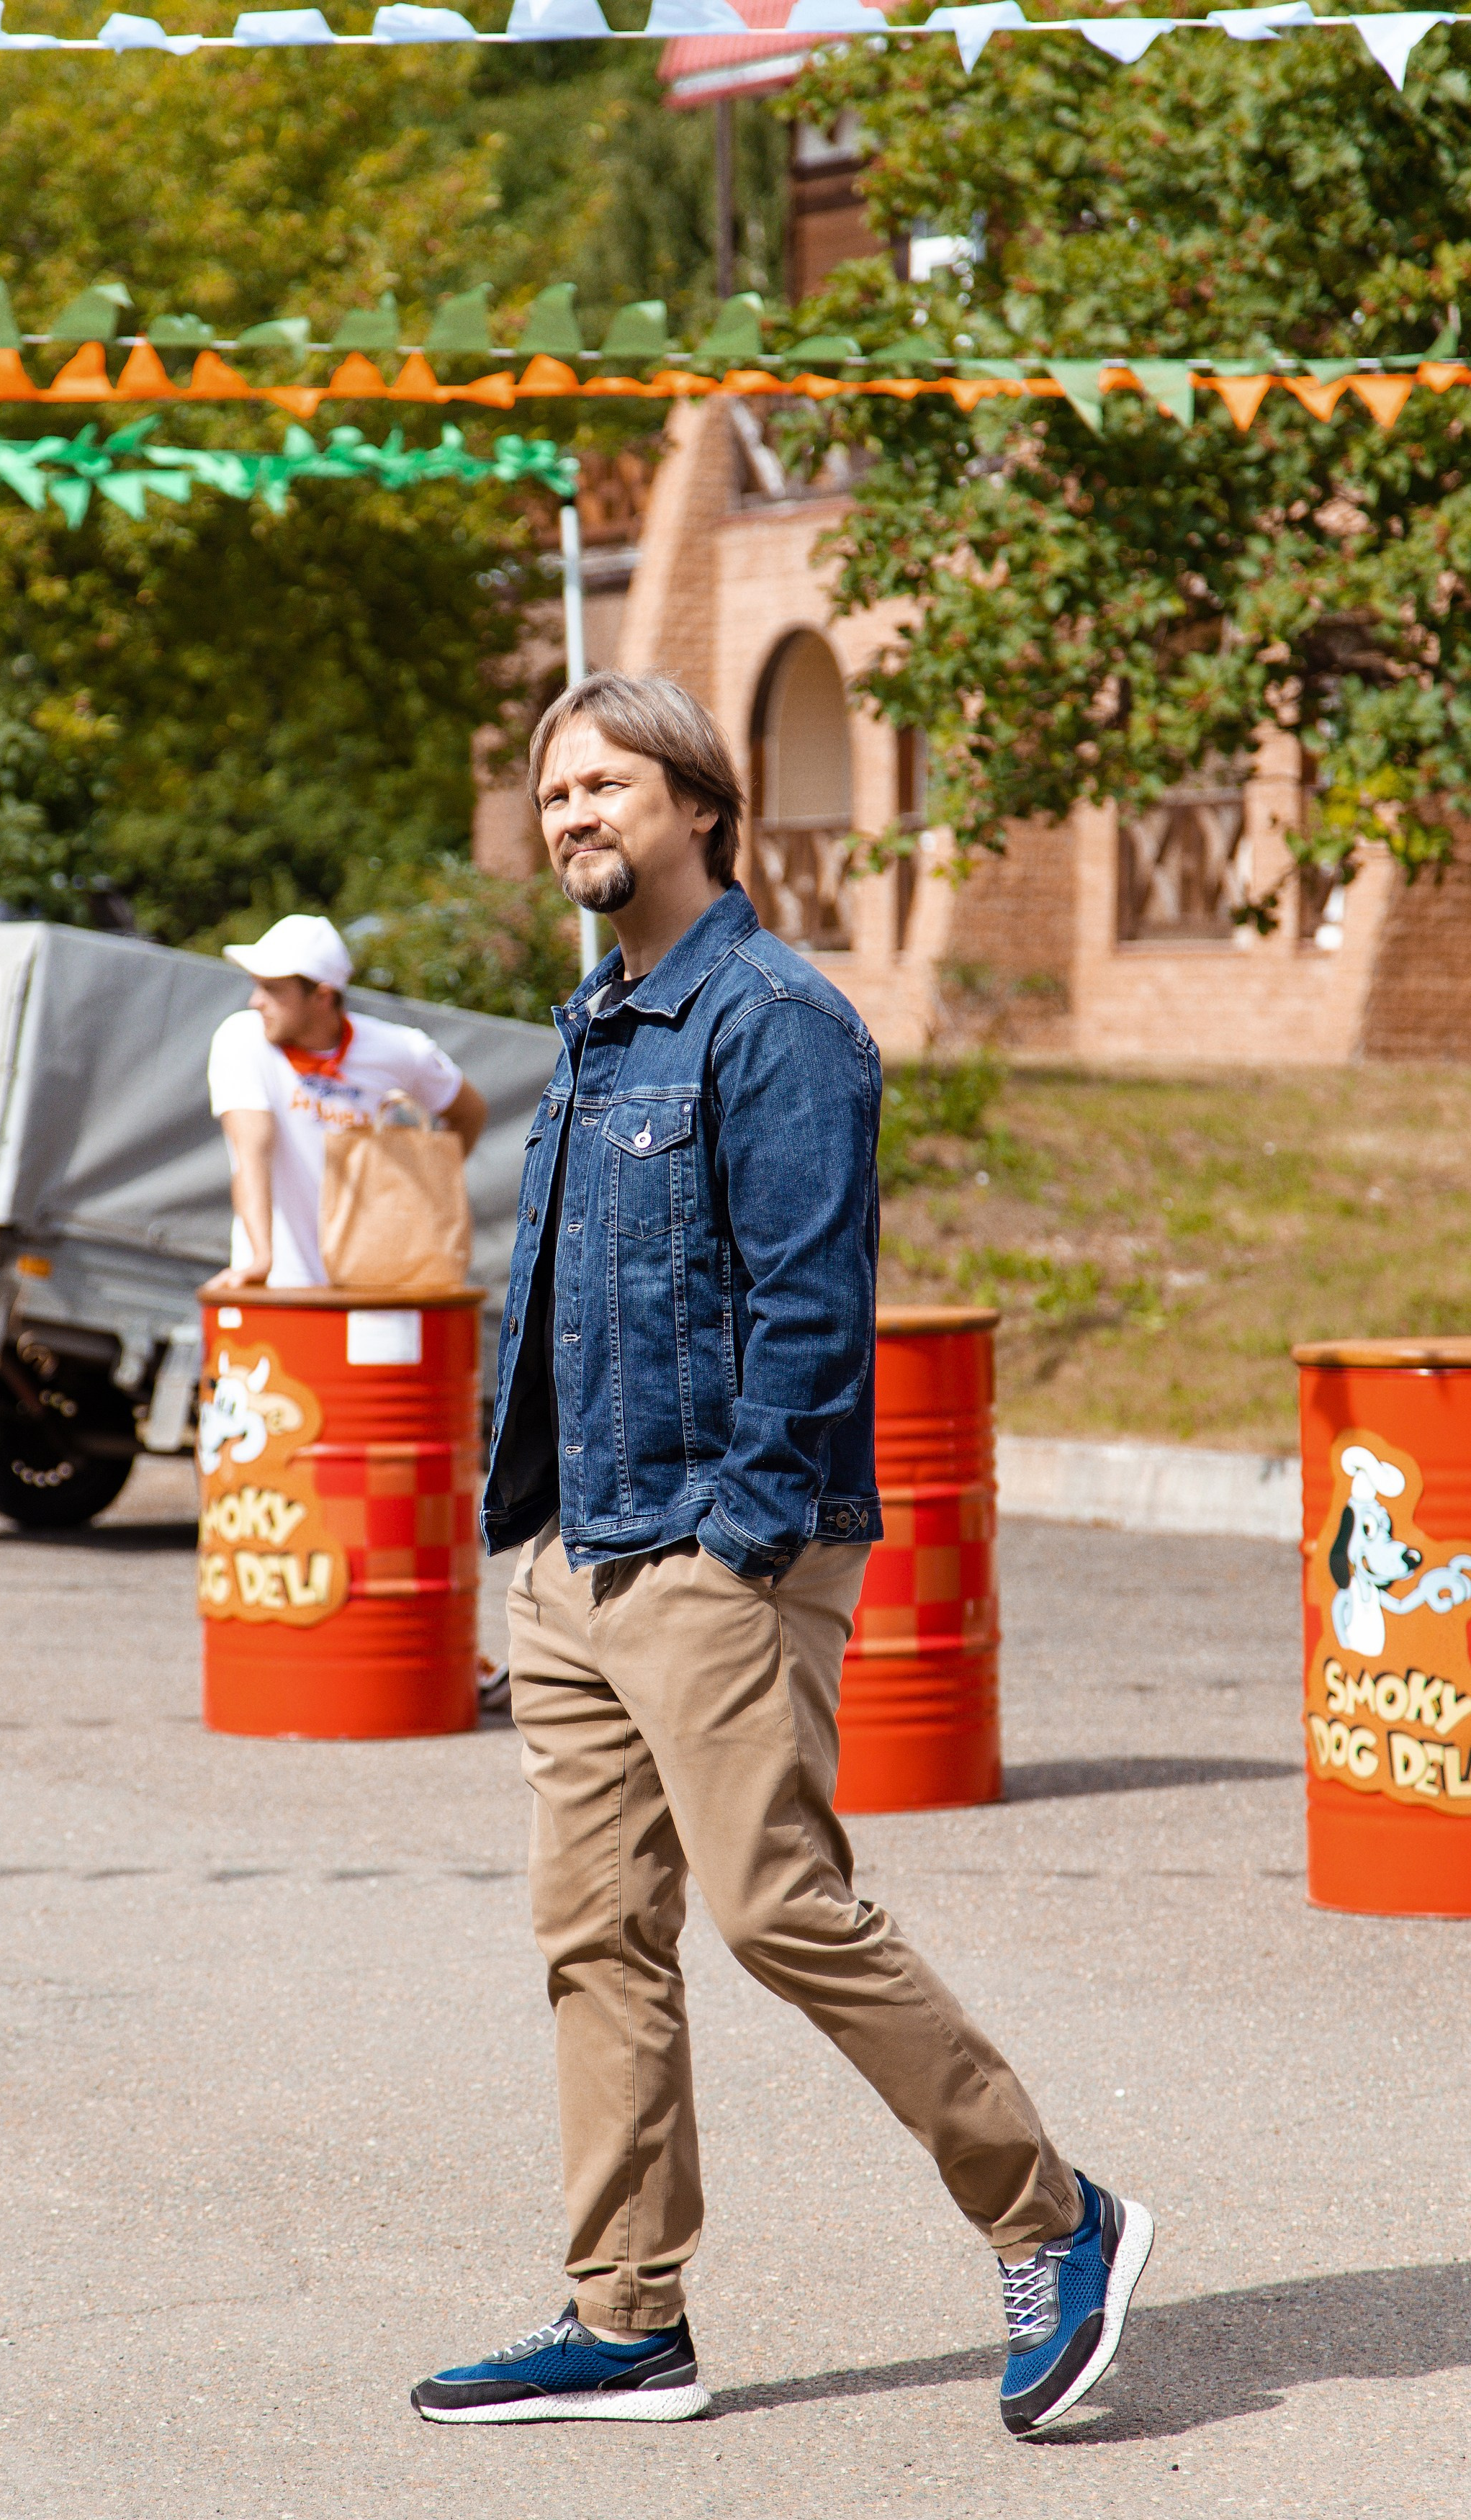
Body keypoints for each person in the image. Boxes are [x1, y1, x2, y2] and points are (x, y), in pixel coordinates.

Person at [411, 674, 1151, 2435]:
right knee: (594, 1931)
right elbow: (563, 1303)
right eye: (554, 789)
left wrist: (738, 1546)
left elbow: (814, 1313)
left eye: (606, 783)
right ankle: (625, 2317)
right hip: (580, 1554)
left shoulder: (772, 1020)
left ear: (698, 803)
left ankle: (1054, 2216)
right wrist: (522, 1541)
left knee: (778, 1910)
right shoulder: (597, 1026)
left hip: (715, 1552)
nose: (573, 812)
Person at [205, 913, 485, 1291]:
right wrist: (261, 1260)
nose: (256, 1001)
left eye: (272, 989)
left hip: (376, 1287)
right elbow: (252, 1151)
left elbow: (470, 1112)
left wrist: (421, 1193)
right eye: (256, 985)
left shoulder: (401, 1049)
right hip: (279, 1287)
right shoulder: (240, 1038)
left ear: (322, 996)